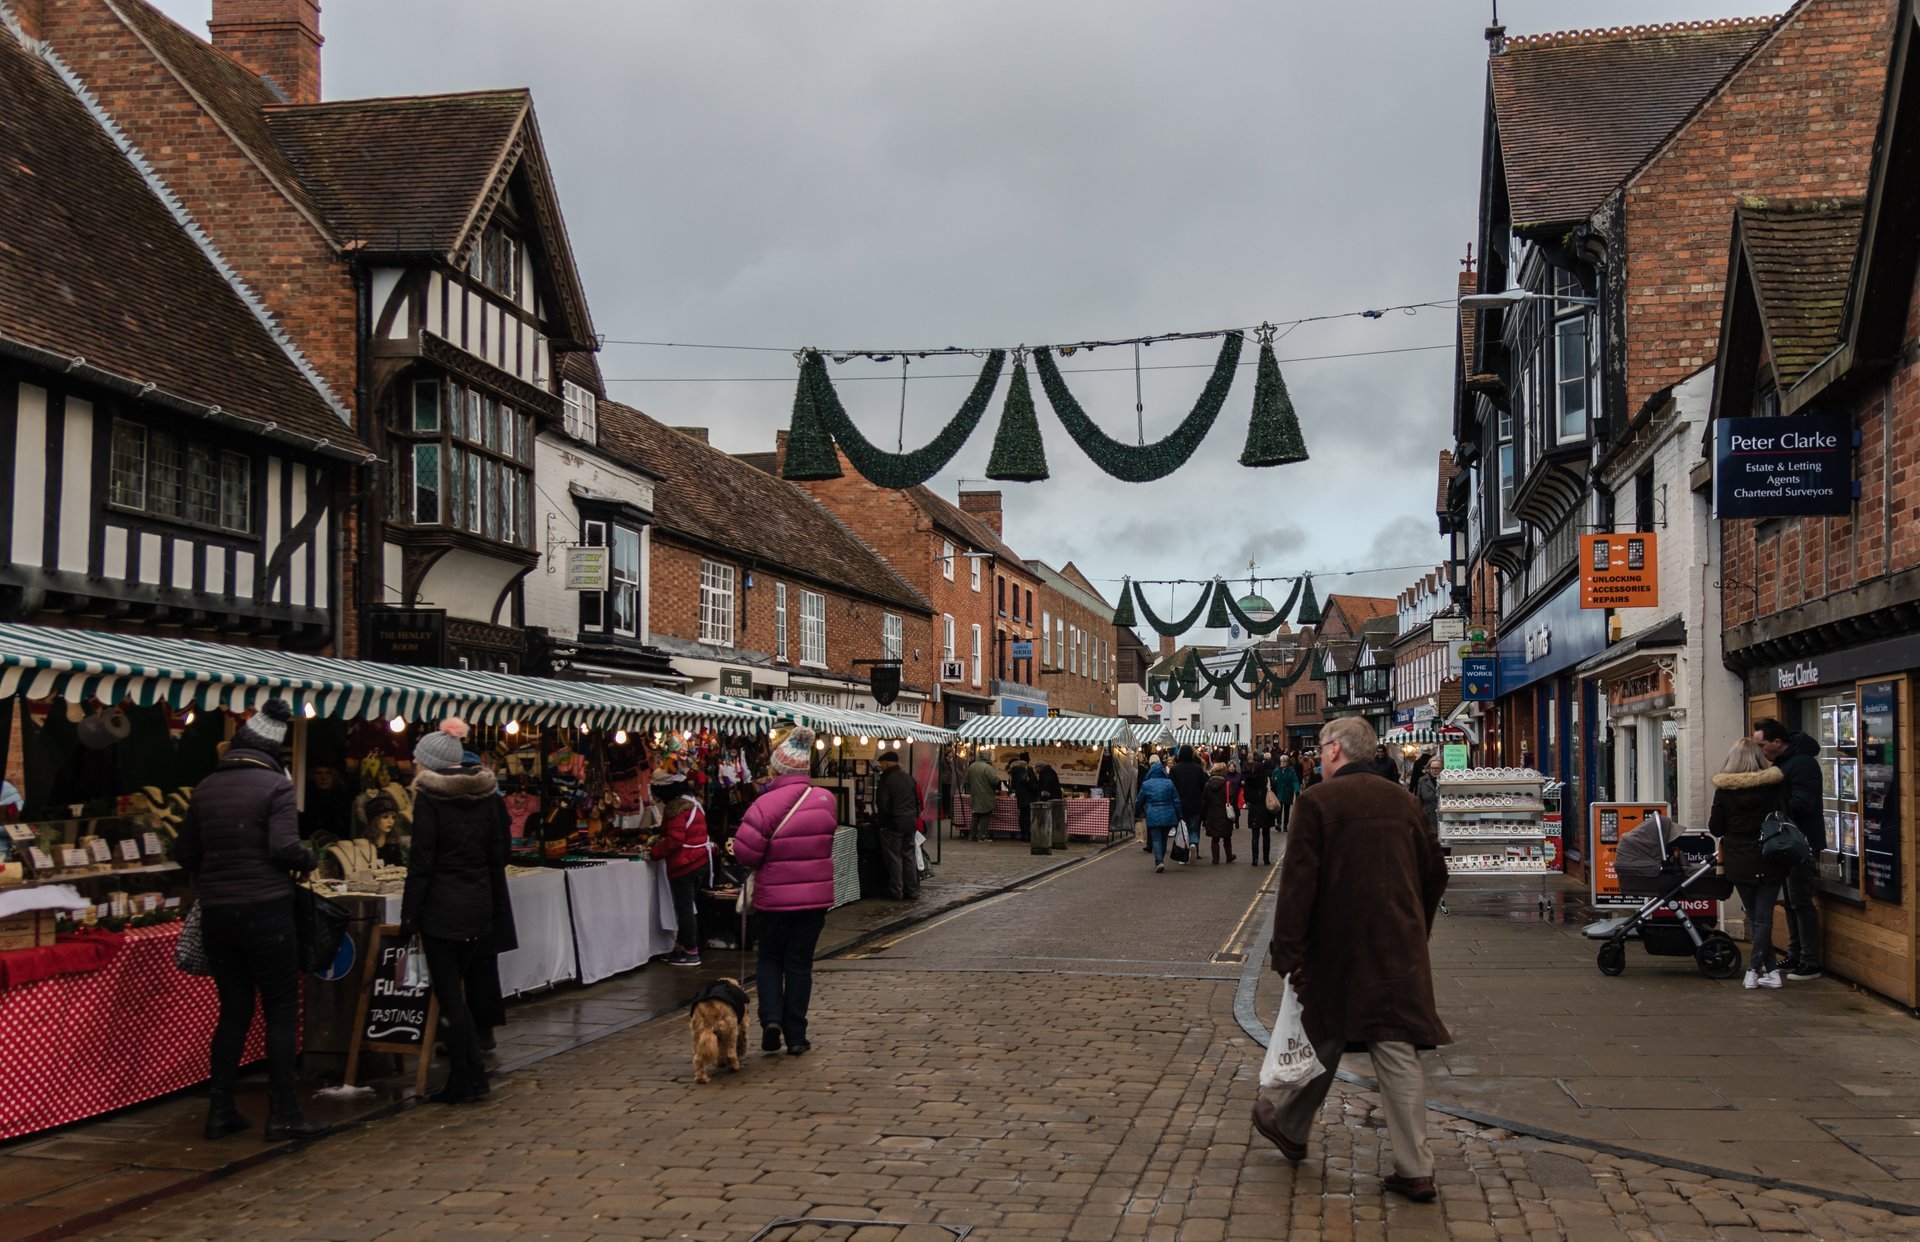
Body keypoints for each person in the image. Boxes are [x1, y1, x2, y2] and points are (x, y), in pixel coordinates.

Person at [1256, 717, 1449, 1203]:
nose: (1319, 757)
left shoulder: (1318, 803)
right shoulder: (1404, 802)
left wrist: (1288, 952)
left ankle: (1289, 1124)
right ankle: (1415, 1168)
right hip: (1397, 947)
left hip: (1339, 946)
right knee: (1390, 1044)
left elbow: (1298, 885)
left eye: (1322, 749)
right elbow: (1436, 871)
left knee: (1330, 1027)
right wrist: (1415, 926)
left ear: (1336, 751)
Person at [177, 699, 326, 1142]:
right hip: (266, 910)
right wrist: (308, 858)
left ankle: (221, 1110)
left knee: (234, 1011)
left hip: (218, 915)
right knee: (280, 1012)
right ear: (272, 752)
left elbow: (184, 853)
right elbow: (284, 847)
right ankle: (283, 1113)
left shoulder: (205, 787)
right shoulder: (275, 787)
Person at [403, 724, 513, 1104]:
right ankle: (471, 1078)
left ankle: (466, 1080)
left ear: (431, 764)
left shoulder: (430, 800)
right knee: (456, 993)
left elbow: (421, 863)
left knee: (449, 996)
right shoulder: (486, 797)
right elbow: (497, 856)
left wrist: (409, 915)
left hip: (441, 909)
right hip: (477, 905)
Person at [733, 727, 838, 1055]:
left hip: (773, 901)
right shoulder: (826, 800)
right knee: (799, 965)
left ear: (778, 769)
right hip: (813, 902)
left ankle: (771, 1021)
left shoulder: (764, 805)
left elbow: (745, 854)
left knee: (769, 960)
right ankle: (796, 1035)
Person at [1708, 738, 1790, 989]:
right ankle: (1771, 972)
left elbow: (1716, 827)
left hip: (1739, 858)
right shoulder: (1774, 787)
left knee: (1755, 917)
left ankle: (1754, 970)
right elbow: (1784, 817)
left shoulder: (1724, 791)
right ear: (1758, 758)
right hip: (1769, 855)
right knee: (1763, 917)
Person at [1754, 717, 1823, 980]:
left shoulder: (1802, 764)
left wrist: (1773, 801)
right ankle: (1795, 955)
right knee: (1791, 901)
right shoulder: (1784, 763)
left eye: (1762, 745)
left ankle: (1810, 961)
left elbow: (1803, 805)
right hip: (1785, 842)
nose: (1760, 751)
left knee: (1801, 900)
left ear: (1777, 742)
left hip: (1800, 843)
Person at [649, 767, 713, 966]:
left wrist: (654, 852)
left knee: (684, 908)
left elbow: (675, 839)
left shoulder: (677, 809)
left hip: (685, 865)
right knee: (689, 907)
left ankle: (691, 951)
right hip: (699, 860)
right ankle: (682, 946)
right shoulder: (692, 803)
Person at [872, 750, 922, 900]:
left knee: (894, 858)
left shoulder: (886, 780)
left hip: (893, 824)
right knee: (908, 856)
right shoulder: (908, 778)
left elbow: (883, 804)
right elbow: (916, 801)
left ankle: (896, 891)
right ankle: (912, 889)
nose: (880, 766)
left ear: (886, 763)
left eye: (881, 764)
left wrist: (885, 821)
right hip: (909, 823)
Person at [1134, 760, 1182, 873]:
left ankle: (1159, 861)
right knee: (1164, 839)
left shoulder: (1146, 784)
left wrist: (1137, 813)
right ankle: (1161, 860)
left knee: (1156, 839)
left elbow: (1139, 801)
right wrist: (1180, 815)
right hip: (1169, 814)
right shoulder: (1169, 783)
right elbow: (1177, 801)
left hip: (1153, 814)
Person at [1169, 746, 1208, 862]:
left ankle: (1183, 854)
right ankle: (1194, 844)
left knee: (1181, 829)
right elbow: (1203, 786)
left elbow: (1172, 787)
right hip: (1195, 803)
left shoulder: (1175, 769)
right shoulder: (1198, 769)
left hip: (1180, 804)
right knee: (1194, 828)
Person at [1203, 762, 1236, 864]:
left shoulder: (1208, 785)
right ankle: (1229, 856)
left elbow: (1205, 799)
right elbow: (1231, 798)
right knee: (1227, 837)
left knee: (1215, 838)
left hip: (1212, 813)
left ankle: (1215, 859)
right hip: (1224, 813)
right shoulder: (1227, 784)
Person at [965, 751, 1001, 841]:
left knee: (975, 816)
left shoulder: (971, 766)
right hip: (986, 795)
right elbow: (994, 781)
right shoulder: (988, 768)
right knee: (985, 816)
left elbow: (967, 780)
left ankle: (971, 836)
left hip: (974, 794)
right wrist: (998, 780)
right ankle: (982, 836)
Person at [1244, 750, 1272, 867]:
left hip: (1254, 808)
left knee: (1255, 835)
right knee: (1266, 834)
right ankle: (1266, 859)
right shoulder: (1266, 779)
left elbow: (1246, 796)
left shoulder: (1249, 780)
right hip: (1265, 808)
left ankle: (1254, 859)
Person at [1269, 753, 1301, 845]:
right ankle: (1278, 824)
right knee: (1278, 808)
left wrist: (1297, 790)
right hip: (1279, 793)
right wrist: (1273, 781)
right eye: (1281, 761)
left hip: (1288, 793)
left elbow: (1295, 781)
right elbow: (1273, 780)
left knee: (1286, 810)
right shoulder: (1277, 770)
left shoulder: (1291, 771)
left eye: (1283, 761)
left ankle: (1285, 825)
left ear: (1287, 762)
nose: (1282, 763)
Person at [1008, 753, 1039, 842]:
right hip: (1029, 795)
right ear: (1027, 760)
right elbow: (1032, 783)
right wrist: (1035, 789)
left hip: (1020, 795)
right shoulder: (1027, 769)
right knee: (1028, 816)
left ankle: (1023, 834)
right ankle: (1028, 835)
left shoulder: (1015, 770)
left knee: (1022, 815)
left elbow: (1013, 785)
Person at [1413, 752, 1442, 833]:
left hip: (1443, 818)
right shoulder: (1422, 780)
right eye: (1432, 768)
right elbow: (1418, 801)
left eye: (1437, 768)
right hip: (1428, 818)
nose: (1434, 770)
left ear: (1442, 769)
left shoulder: (1445, 780)